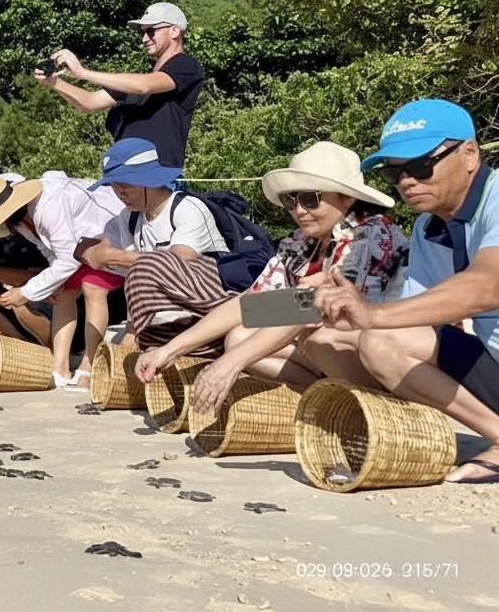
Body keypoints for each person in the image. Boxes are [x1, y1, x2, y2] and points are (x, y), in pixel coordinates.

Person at [133, 142, 409, 413]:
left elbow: (311, 306)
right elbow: (250, 304)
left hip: (377, 351)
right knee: (239, 336)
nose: (299, 210)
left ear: (347, 198)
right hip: (324, 344)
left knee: (312, 331)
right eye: (291, 199)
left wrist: (228, 364)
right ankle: (327, 401)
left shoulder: (372, 233)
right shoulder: (299, 243)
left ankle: (372, 406)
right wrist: (169, 350)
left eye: (310, 198)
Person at [315, 100, 499, 484]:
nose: (406, 182)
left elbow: (488, 286)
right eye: (393, 172)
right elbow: (418, 316)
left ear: (469, 154)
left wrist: (372, 315)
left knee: (379, 335)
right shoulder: (429, 227)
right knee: (338, 339)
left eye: (419, 166)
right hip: (490, 360)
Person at [0, 172, 123, 391]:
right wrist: (52, 283)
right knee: (63, 292)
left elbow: (67, 260)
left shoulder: (49, 208)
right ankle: (60, 368)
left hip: (112, 237)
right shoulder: (21, 220)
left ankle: (89, 365)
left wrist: (26, 292)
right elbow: (50, 252)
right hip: (80, 248)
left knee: (93, 286)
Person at [80, 139, 232, 359]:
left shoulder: (186, 208)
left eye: (125, 184)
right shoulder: (130, 218)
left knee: (145, 268)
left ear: (148, 180)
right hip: (161, 312)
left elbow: (182, 258)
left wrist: (114, 256)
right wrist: (93, 253)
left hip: (210, 303)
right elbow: (124, 269)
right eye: (114, 185)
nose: (119, 193)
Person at [36, 2, 204, 169]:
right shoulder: (135, 81)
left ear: (174, 31)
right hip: (124, 172)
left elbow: (144, 86)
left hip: (158, 174)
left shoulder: (187, 65)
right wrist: (54, 82)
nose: (144, 38)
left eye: (151, 31)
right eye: (143, 32)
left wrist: (83, 73)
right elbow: (89, 103)